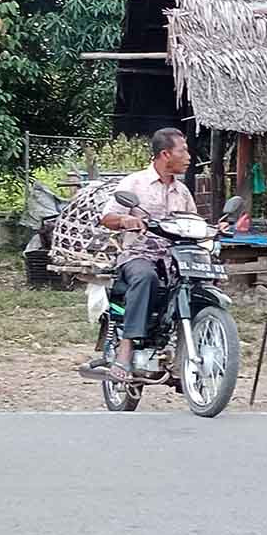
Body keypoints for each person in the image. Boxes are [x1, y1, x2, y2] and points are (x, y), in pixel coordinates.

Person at [100, 128, 197, 382]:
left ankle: (189, 347)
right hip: (138, 254)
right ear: (166, 154)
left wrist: (215, 229)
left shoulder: (183, 191)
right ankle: (126, 348)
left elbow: (194, 222)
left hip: (176, 258)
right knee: (145, 277)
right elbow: (107, 217)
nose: (188, 156)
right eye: (183, 150)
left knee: (203, 282)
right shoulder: (135, 183)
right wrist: (126, 219)